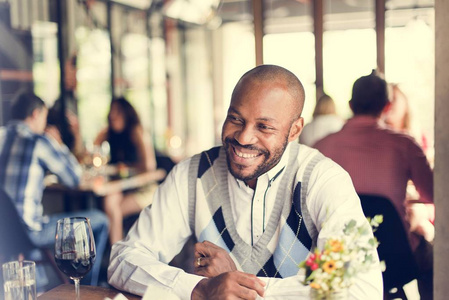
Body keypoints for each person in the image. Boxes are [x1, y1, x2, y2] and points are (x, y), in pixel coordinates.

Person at [108, 65, 382, 299]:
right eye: (236, 119)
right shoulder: (191, 174)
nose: (243, 137)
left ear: (294, 130)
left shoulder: (323, 180)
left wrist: (236, 283)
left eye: (264, 127)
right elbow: (122, 259)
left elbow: (360, 288)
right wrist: (202, 289)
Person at [314, 70, 433, 299]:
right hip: (393, 256)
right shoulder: (405, 144)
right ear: (387, 106)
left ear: (350, 104)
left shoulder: (320, 147)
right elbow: (434, 195)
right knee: (434, 259)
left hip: (338, 257)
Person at [0, 91, 109, 286]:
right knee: (100, 220)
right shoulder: (38, 141)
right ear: (35, 114)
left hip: (6, 231)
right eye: (44, 116)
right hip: (29, 232)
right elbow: (74, 178)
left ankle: (44, 284)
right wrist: (57, 144)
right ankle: (85, 289)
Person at [94, 96, 159, 245]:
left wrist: (127, 168)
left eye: (117, 112)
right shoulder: (110, 133)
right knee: (110, 202)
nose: (112, 115)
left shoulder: (136, 131)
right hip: (121, 188)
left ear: (126, 114)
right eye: (111, 112)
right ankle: (118, 255)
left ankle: (116, 255)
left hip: (143, 189)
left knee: (111, 209)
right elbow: (92, 152)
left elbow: (150, 166)